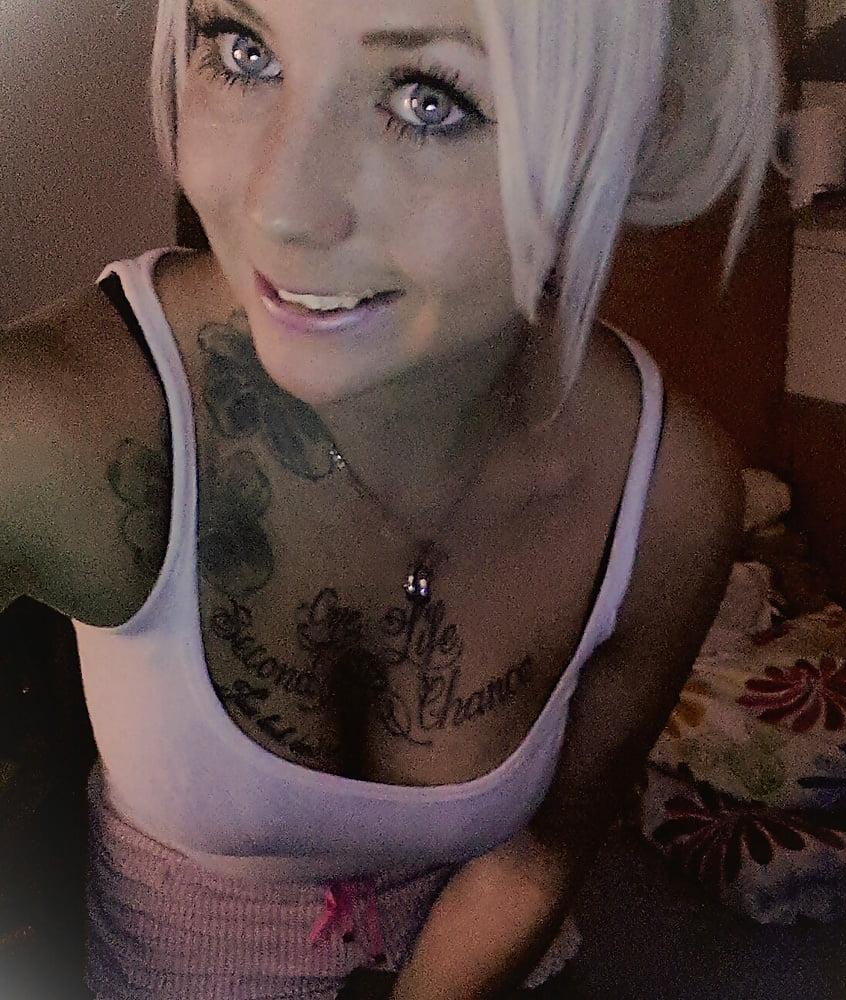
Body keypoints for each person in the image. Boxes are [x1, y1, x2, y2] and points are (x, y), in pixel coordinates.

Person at [0, 0, 780, 996]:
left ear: (608, 135)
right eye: (244, 49)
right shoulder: (55, 425)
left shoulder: (669, 499)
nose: (281, 209)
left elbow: (539, 855)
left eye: (429, 98)